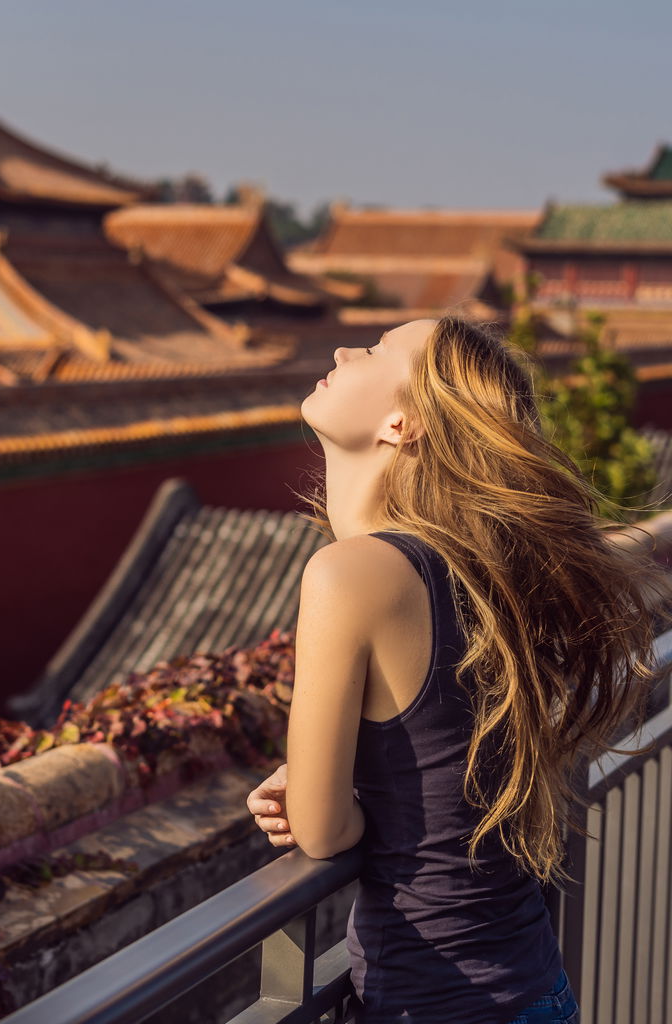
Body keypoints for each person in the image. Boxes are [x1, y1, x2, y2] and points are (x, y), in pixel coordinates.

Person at [245, 317, 667, 1023]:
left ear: (401, 423)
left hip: (441, 1001)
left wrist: (321, 785)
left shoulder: (349, 574)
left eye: (375, 350)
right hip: (534, 985)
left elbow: (321, 833)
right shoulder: (477, 566)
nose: (345, 350)